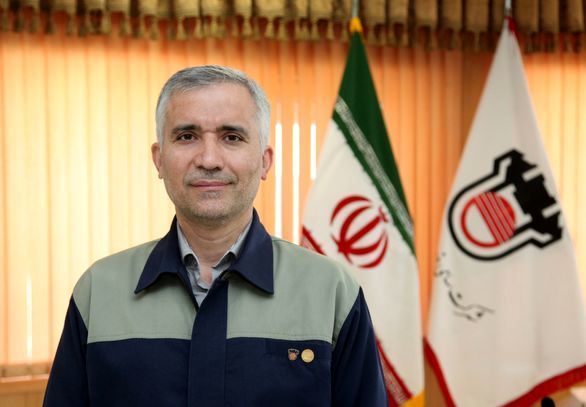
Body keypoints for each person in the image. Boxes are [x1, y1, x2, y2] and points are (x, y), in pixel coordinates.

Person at [44, 65, 388, 406]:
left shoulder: (332, 292)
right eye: (186, 136)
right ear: (159, 159)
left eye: (231, 137)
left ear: (265, 161)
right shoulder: (98, 292)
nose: (209, 159)